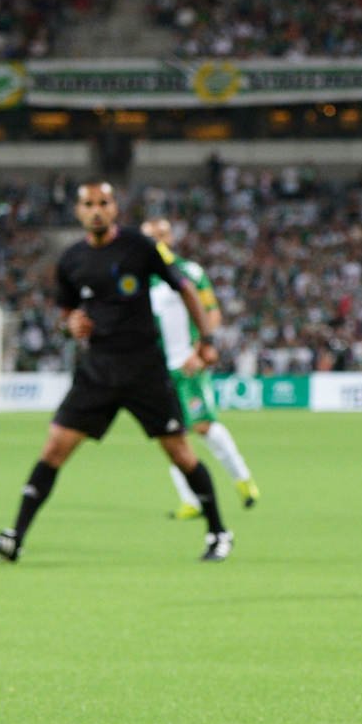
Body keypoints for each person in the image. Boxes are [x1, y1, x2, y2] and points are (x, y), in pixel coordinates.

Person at [0, 182, 233, 563]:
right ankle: (15, 538)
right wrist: (73, 324)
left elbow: (184, 288)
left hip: (144, 367)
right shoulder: (71, 260)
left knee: (180, 452)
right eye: (88, 204)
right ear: (78, 212)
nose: (96, 210)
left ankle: (218, 533)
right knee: (54, 448)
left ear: (115, 208)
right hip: (97, 370)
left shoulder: (139, 247)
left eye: (104, 203)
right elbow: (68, 313)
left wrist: (207, 340)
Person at [139, 218, 261, 517]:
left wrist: (200, 348)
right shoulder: (139, 279)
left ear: (171, 237)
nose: (157, 240)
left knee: (204, 426)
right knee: (171, 436)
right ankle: (190, 501)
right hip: (158, 371)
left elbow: (212, 313)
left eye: (162, 234)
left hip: (186, 364)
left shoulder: (189, 272)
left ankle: (242, 479)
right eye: (150, 236)